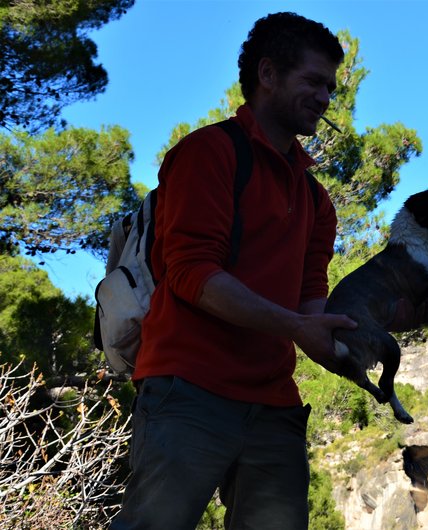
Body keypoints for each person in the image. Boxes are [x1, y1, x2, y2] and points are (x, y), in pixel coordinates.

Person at [110, 12, 356, 530]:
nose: (325, 97)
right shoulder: (207, 154)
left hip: (273, 402)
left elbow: (312, 295)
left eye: (330, 87)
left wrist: (351, 332)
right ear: (267, 75)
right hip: (187, 389)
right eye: (313, 81)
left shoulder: (316, 199)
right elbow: (193, 274)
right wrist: (296, 327)